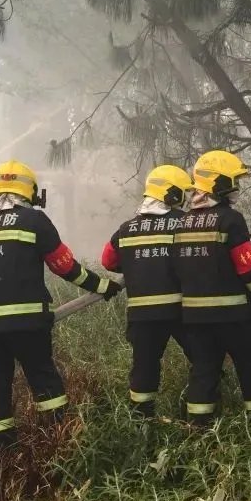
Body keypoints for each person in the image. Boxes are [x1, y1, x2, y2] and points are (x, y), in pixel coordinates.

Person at [0, 160, 122, 450]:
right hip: (25, 323)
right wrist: (104, 286)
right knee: (44, 381)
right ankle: (58, 441)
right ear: (29, 191)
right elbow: (66, 267)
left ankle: (2, 461)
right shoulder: (34, 221)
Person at [174, 150, 251, 425]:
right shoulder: (231, 220)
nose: (236, 189)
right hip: (235, 319)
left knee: (203, 374)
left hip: (195, 321)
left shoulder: (182, 223)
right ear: (217, 185)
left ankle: (198, 432)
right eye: (232, 182)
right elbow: (248, 268)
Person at [101, 165, 193, 418]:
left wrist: (133, 265)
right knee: (204, 359)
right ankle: (198, 414)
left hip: (142, 316)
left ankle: (141, 420)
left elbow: (108, 261)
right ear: (173, 195)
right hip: (181, 311)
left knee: (144, 368)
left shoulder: (125, 228)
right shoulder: (185, 223)